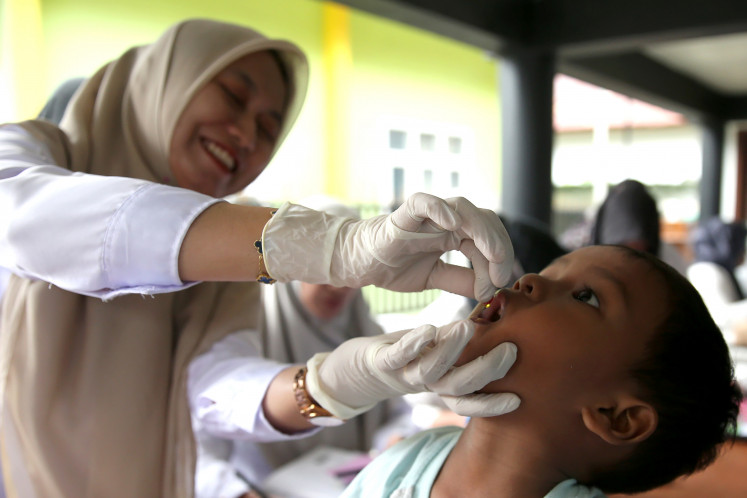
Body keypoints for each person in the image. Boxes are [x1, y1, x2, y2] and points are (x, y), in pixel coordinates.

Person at [0, 19, 519, 497]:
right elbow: (32, 222)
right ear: (167, 79)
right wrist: (330, 247)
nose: (246, 135)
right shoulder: (29, 152)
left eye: (269, 128)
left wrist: (337, 382)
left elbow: (215, 392)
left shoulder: (224, 267)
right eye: (231, 95)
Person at [342, 244, 742, 497]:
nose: (529, 280)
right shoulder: (410, 459)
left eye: (586, 296)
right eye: (549, 271)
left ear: (614, 416)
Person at [189, 197, 414, 496]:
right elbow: (201, 437)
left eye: (351, 274)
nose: (337, 287)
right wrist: (234, 492)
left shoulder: (365, 331)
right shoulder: (252, 331)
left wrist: (393, 440)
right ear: (297, 266)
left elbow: (397, 413)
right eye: (326, 271)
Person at [589, 179, 688, 275]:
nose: (629, 258)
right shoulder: (585, 266)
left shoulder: (670, 263)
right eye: (623, 247)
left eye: (639, 250)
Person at [688, 217, 747, 345]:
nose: (743, 252)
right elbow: (720, 315)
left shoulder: (726, 270)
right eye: (740, 245)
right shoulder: (706, 271)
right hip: (722, 342)